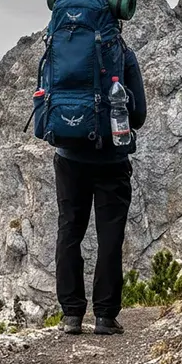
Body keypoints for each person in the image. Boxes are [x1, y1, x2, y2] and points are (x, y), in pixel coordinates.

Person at [55, 43, 146, 335]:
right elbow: (140, 116)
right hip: (111, 159)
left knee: (69, 230)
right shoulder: (123, 54)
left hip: (69, 157)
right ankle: (105, 317)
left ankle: (71, 315)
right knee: (110, 236)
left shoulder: (63, 47)